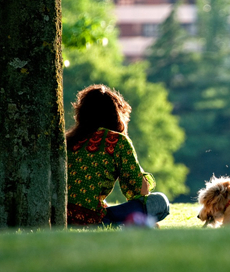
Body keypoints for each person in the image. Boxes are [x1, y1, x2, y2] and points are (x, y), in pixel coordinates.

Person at [66, 84, 169, 227]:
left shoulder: (69, 140)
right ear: (116, 114)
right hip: (92, 221)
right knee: (160, 202)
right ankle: (127, 223)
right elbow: (138, 190)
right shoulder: (116, 141)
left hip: (62, 217)